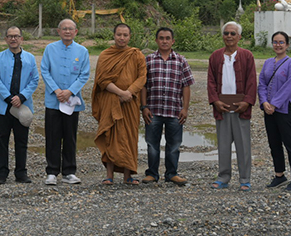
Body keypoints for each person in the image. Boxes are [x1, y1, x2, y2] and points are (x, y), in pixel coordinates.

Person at [91, 23, 147, 185]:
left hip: (130, 102)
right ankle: (109, 175)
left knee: (129, 136)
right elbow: (102, 80)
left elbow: (142, 77)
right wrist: (120, 93)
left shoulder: (136, 55)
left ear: (130, 37)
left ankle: (128, 176)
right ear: (114, 35)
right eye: (119, 35)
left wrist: (129, 92)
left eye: (125, 35)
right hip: (110, 100)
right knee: (110, 135)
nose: (122, 38)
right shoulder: (105, 55)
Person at [141, 27, 194, 186]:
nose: (164, 41)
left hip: (174, 111)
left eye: (167, 38)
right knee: (152, 144)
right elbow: (143, 85)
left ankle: (172, 173)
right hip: (153, 110)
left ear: (173, 41)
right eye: (161, 38)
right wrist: (144, 106)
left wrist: (185, 108)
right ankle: (152, 173)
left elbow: (186, 86)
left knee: (174, 145)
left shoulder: (181, 60)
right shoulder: (149, 60)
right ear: (156, 41)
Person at [207, 21, 257, 191]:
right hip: (222, 107)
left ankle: (245, 179)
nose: (229, 36)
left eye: (233, 33)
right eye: (226, 33)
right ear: (222, 36)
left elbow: (252, 81)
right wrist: (215, 101)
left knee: (243, 144)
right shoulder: (215, 56)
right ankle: (223, 177)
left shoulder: (247, 56)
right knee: (223, 144)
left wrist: (247, 102)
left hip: (241, 108)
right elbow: (211, 81)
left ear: (239, 37)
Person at [40, 19, 91, 185]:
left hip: (71, 100)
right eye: (64, 29)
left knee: (70, 136)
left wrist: (69, 91)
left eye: (70, 29)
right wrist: (57, 91)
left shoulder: (82, 51)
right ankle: (52, 172)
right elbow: (45, 71)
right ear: (58, 31)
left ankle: (69, 171)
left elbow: (84, 75)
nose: (67, 31)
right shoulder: (50, 49)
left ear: (76, 32)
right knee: (52, 136)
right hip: (53, 100)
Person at [0, 27, 39, 184]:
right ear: (5, 39)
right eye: (10, 36)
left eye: (16, 36)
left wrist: (22, 96)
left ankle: (21, 172)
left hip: (22, 105)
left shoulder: (30, 58)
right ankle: (1, 173)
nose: (13, 39)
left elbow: (34, 80)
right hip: (3, 105)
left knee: (21, 140)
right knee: (2, 139)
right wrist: (9, 97)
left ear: (21, 38)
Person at [258, 31, 291, 191]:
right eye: (275, 42)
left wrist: (275, 104)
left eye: (281, 42)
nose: (278, 45)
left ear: (287, 45)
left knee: (290, 143)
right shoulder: (268, 62)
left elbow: (289, 87)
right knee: (274, 142)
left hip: (285, 109)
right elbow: (262, 83)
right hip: (269, 109)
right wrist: (264, 102)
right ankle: (279, 175)